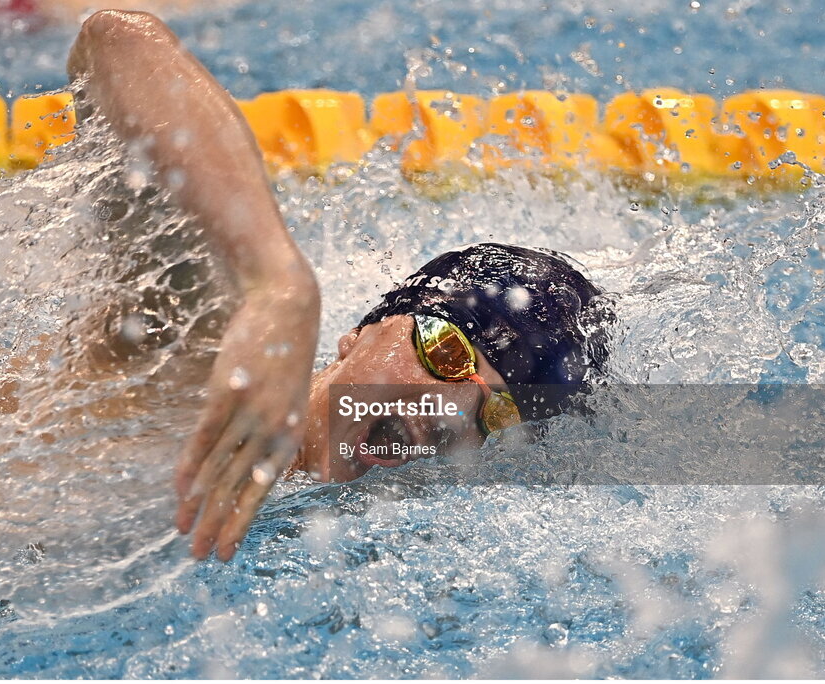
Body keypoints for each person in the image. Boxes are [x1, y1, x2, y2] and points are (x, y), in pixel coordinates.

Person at [66, 10, 608, 563]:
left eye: (497, 416)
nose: (455, 407)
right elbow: (116, 43)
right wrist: (280, 284)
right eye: (446, 353)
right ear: (364, 333)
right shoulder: (193, 350)